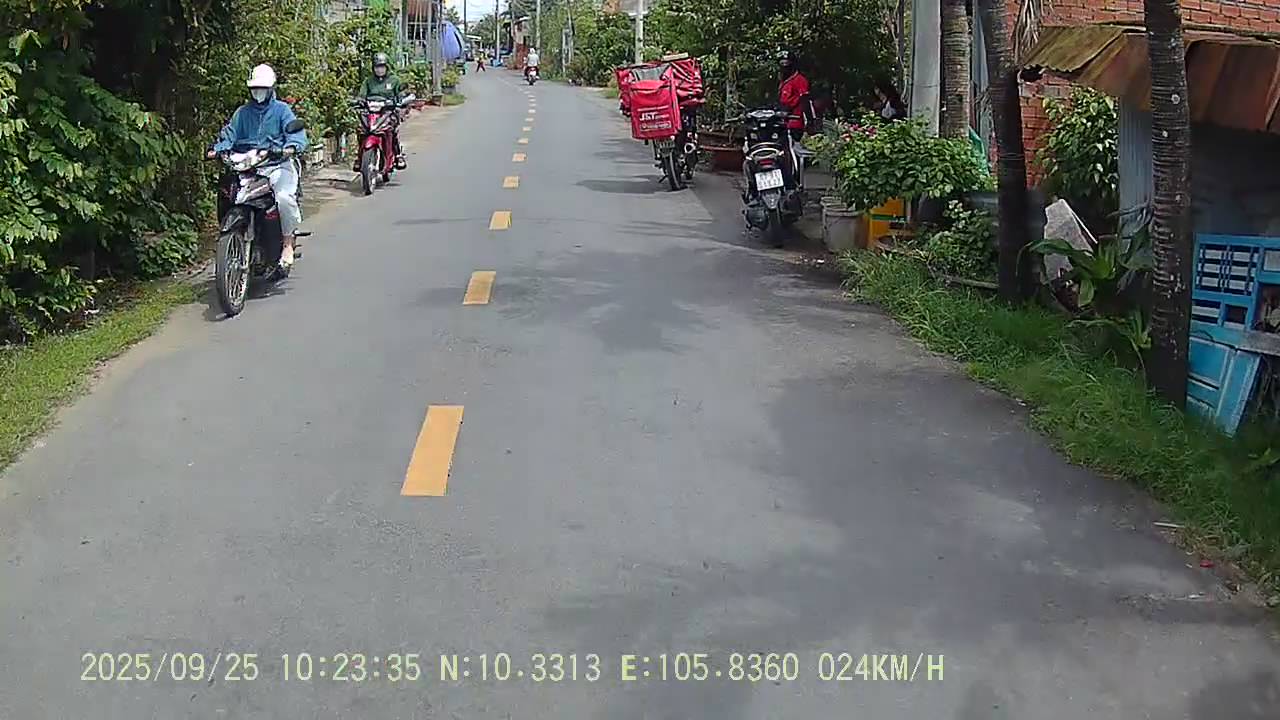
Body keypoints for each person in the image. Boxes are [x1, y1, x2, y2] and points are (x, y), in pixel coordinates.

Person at [212, 63, 307, 273]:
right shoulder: (242, 113)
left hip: (276, 166)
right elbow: (229, 135)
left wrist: (289, 147)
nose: (258, 92)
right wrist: (217, 149)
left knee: (284, 198)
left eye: (262, 88)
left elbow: (296, 135)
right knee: (228, 194)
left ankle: (287, 244)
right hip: (247, 167)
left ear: (271, 88)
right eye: (255, 88)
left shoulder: (282, 110)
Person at [356, 52, 407, 170]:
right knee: (361, 130)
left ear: (387, 67)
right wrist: (360, 101)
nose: (379, 70)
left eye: (382, 67)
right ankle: (360, 157)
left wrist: (400, 101)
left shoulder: (394, 80)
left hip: (388, 111)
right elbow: (362, 95)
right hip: (371, 112)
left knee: (391, 129)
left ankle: (398, 155)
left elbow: (401, 94)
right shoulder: (368, 81)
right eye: (377, 67)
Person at [777, 50, 810, 142]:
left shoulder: (799, 80)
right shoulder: (784, 81)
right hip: (782, 123)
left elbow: (805, 100)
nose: (784, 69)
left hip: (795, 123)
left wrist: (810, 121)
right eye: (782, 65)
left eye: (787, 66)